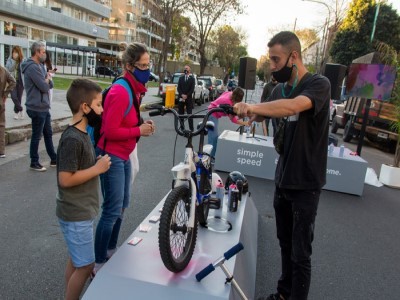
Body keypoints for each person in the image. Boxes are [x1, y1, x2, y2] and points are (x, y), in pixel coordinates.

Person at [234, 31, 330, 300]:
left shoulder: (318, 84)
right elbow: (268, 110)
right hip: (283, 178)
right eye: (271, 60)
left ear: (294, 56)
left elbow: (292, 107)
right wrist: (248, 113)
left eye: (276, 60)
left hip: (306, 182)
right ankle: (283, 293)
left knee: (301, 253)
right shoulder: (277, 89)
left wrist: (256, 108)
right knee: (285, 245)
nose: (273, 66)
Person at [93, 42, 155, 276]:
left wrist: (142, 125)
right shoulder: (121, 90)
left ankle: (110, 249)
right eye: (143, 65)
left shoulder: (133, 88)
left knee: (122, 205)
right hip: (111, 156)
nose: (147, 70)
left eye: (149, 65)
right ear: (129, 66)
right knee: (111, 209)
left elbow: (126, 122)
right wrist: (138, 131)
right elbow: (110, 131)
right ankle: (98, 263)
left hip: (124, 154)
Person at [56, 78, 111, 300]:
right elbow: (65, 179)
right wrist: (97, 169)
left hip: (81, 210)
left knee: (76, 260)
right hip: (75, 213)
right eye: (98, 105)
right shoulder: (72, 139)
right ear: (85, 107)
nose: (102, 109)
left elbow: (79, 167)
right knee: (86, 265)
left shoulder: (83, 133)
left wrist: (94, 163)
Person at [21, 41, 57, 171]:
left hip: (44, 106)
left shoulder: (40, 66)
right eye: (43, 52)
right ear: (36, 52)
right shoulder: (32, 67)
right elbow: (43, 86)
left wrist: (47, 80)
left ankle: (54, 158)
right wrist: (46, 80)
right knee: (37, 135)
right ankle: (34, 161)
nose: (45, 55)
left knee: (48, 133)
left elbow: (49, 84)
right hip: (36, 107)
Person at [207, 88, 248, 158]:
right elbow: (233, 119)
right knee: (213, 138)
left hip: (213, 114)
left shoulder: (229, 93)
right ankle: (210, 158)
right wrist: (245, 123)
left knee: (214, 137)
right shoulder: (228, 103)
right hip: (212, 114)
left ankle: (212, 156)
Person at [0, 65, 17, 158]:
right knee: (1, 125)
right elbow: (13, 82)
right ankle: (1, 151)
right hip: (1, 101)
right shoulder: (3, 70)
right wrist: (5, 94)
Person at [6, 45, 25, 120]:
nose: (14, 54)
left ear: (19, 53)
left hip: (20, 82)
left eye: (16, 52)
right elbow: (9, 69)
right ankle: (21, 109)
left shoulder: (23, 60)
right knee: (13, 97)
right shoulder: (10, 60)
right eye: (13, 52)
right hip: (12, 82)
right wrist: (14, 61)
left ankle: (16, 113)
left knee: (19, 98)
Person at [177, 65, 195, 131]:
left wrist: (186, 95)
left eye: (186, 68)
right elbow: (178, 88)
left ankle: (191, 129)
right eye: (184, 68)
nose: (185, 69)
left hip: (188, 99)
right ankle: (182, 128)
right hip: (181, 98)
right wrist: (182, 95)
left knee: (189, 114)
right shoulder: (181, 78)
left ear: (189, 70)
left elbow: (192, 89)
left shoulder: (192, 79)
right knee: (181, 114)